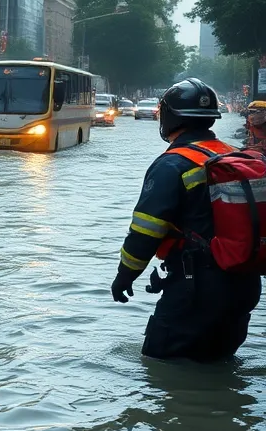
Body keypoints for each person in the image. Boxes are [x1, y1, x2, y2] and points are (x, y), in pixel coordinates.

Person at [110, 77, 261, 362]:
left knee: (160, 366)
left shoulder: (172, 163)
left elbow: (146, 230)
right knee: (217, 366)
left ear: (169, 117)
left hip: (197, 286)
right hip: (245, 283)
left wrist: (125, 275)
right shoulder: (233, 154)